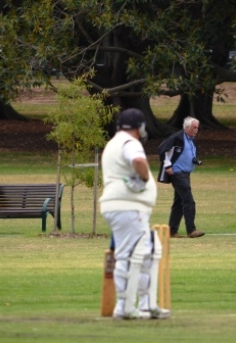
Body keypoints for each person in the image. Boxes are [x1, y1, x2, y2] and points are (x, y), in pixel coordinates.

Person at [99, 108, 170, 320]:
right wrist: (145, 178)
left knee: (141, 252)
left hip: (118, 206)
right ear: (139, 127)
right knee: (136, 254)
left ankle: (142, 304)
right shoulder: (130, 143)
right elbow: (138, 161)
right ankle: (128, 307)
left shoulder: (112, 143)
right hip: (127, 207)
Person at [157, 116, 205, 238]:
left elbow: (187, 153)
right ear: (187, 127)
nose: (196, 130)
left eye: (197, 128)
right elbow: (162, 149)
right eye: (194, 127)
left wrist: (194, 160)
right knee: (189, 200)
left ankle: (172, 231)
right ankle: (191, 230)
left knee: (178, 202)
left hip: (186, 174)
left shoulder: (191, 140)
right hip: (177, 173)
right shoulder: (177, 138)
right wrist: (167, 165)